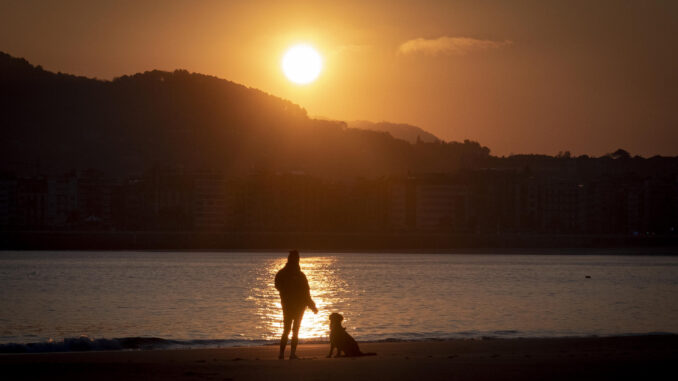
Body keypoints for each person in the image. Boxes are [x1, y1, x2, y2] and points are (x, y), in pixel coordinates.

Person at [274, 250, 318, 359]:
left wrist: (312, 306)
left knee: (293, 330)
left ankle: (289, 354)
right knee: (289, 330)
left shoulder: (298, 274)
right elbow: (278, 286)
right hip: (290, 305)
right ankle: (284, 354)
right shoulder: (286, 273)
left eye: (297, 258)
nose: (296, 260)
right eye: (296, 258)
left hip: (297, 306)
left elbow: (306, 292)